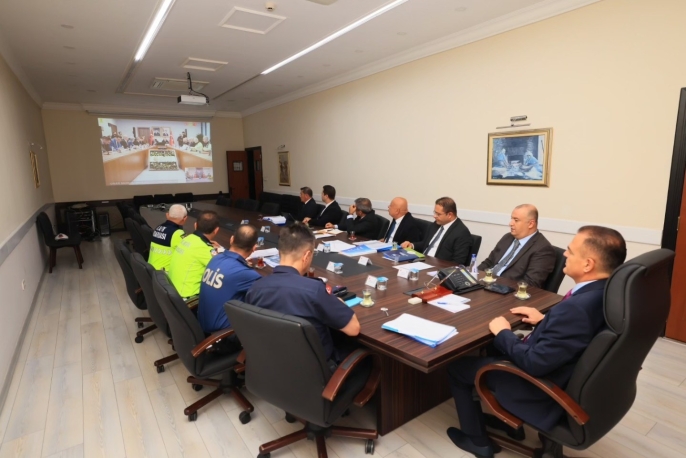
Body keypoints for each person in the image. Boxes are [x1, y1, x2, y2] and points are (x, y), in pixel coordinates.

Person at [445, 226, 626, 458]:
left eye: (570, 251)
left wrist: (503, 333)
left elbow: (534, 363)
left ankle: (477, 441)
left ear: (588, 264)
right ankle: (509, 424)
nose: (565, 254)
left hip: (539, 386)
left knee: (457, 367)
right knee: (491, 347)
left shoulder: (576, 309)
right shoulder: (604, 293)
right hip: (561, 369)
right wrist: (545, 319)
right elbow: (577, 335)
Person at [245, 223, 360, 365]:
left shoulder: (255, 288)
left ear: (280, 252)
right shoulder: (314, 290)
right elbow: (354, 329)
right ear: (307, 256)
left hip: (269, 365)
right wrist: (338, 302)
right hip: (317, 371)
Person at [198, 225, 260, 339]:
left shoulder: (215, 258)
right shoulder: (246, 274)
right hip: (223, 336)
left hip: (203, 324)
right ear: (254, 248)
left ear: (231, 239)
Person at [478, 204, 556, 288]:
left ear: (531, 224)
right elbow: (489, 262)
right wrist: (473, 276)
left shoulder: (542, 249)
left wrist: (495, 284)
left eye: (516, 220)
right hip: (485, 283)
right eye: (511, 219)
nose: (510, 223)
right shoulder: (507, 237)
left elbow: (530, 283)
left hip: (505, 290)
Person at [401, 197, 472, 265]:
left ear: (450, 215)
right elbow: (426, 244)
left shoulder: (461, 233)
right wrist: (412, 245)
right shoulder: (436, 224)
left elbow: (458, 262)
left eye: (438, 214)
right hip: (421, 261)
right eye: (435, 212)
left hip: (437, 267)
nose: (434, 216)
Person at [168, 211, 222, 299]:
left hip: (172, 291)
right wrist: (223, 250)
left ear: (195, 225)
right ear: (216, 230)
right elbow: (223, 268)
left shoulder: (186, 238)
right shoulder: (204, 248)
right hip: (188, 300)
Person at [148, 204, 188, 271]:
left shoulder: (158, 228)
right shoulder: (178, 233)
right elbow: (191, 251)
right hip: (165, 273)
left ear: (167, 215)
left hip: (152, 270)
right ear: (185, 218)